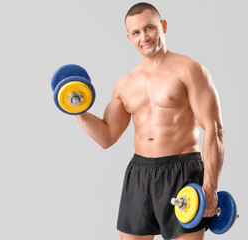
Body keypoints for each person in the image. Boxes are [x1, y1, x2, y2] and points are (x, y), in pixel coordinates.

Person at [75, 2, 224, 240]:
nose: (144, 37)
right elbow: (106, 137)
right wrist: (77, 110)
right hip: (139, 173)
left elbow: (214, 130)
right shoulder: (125, 84)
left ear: (163, 26)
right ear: (129, 37)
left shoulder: (190, 70)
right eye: (136, 32)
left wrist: (210, 186)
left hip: (182, 171)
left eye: (149, 28)